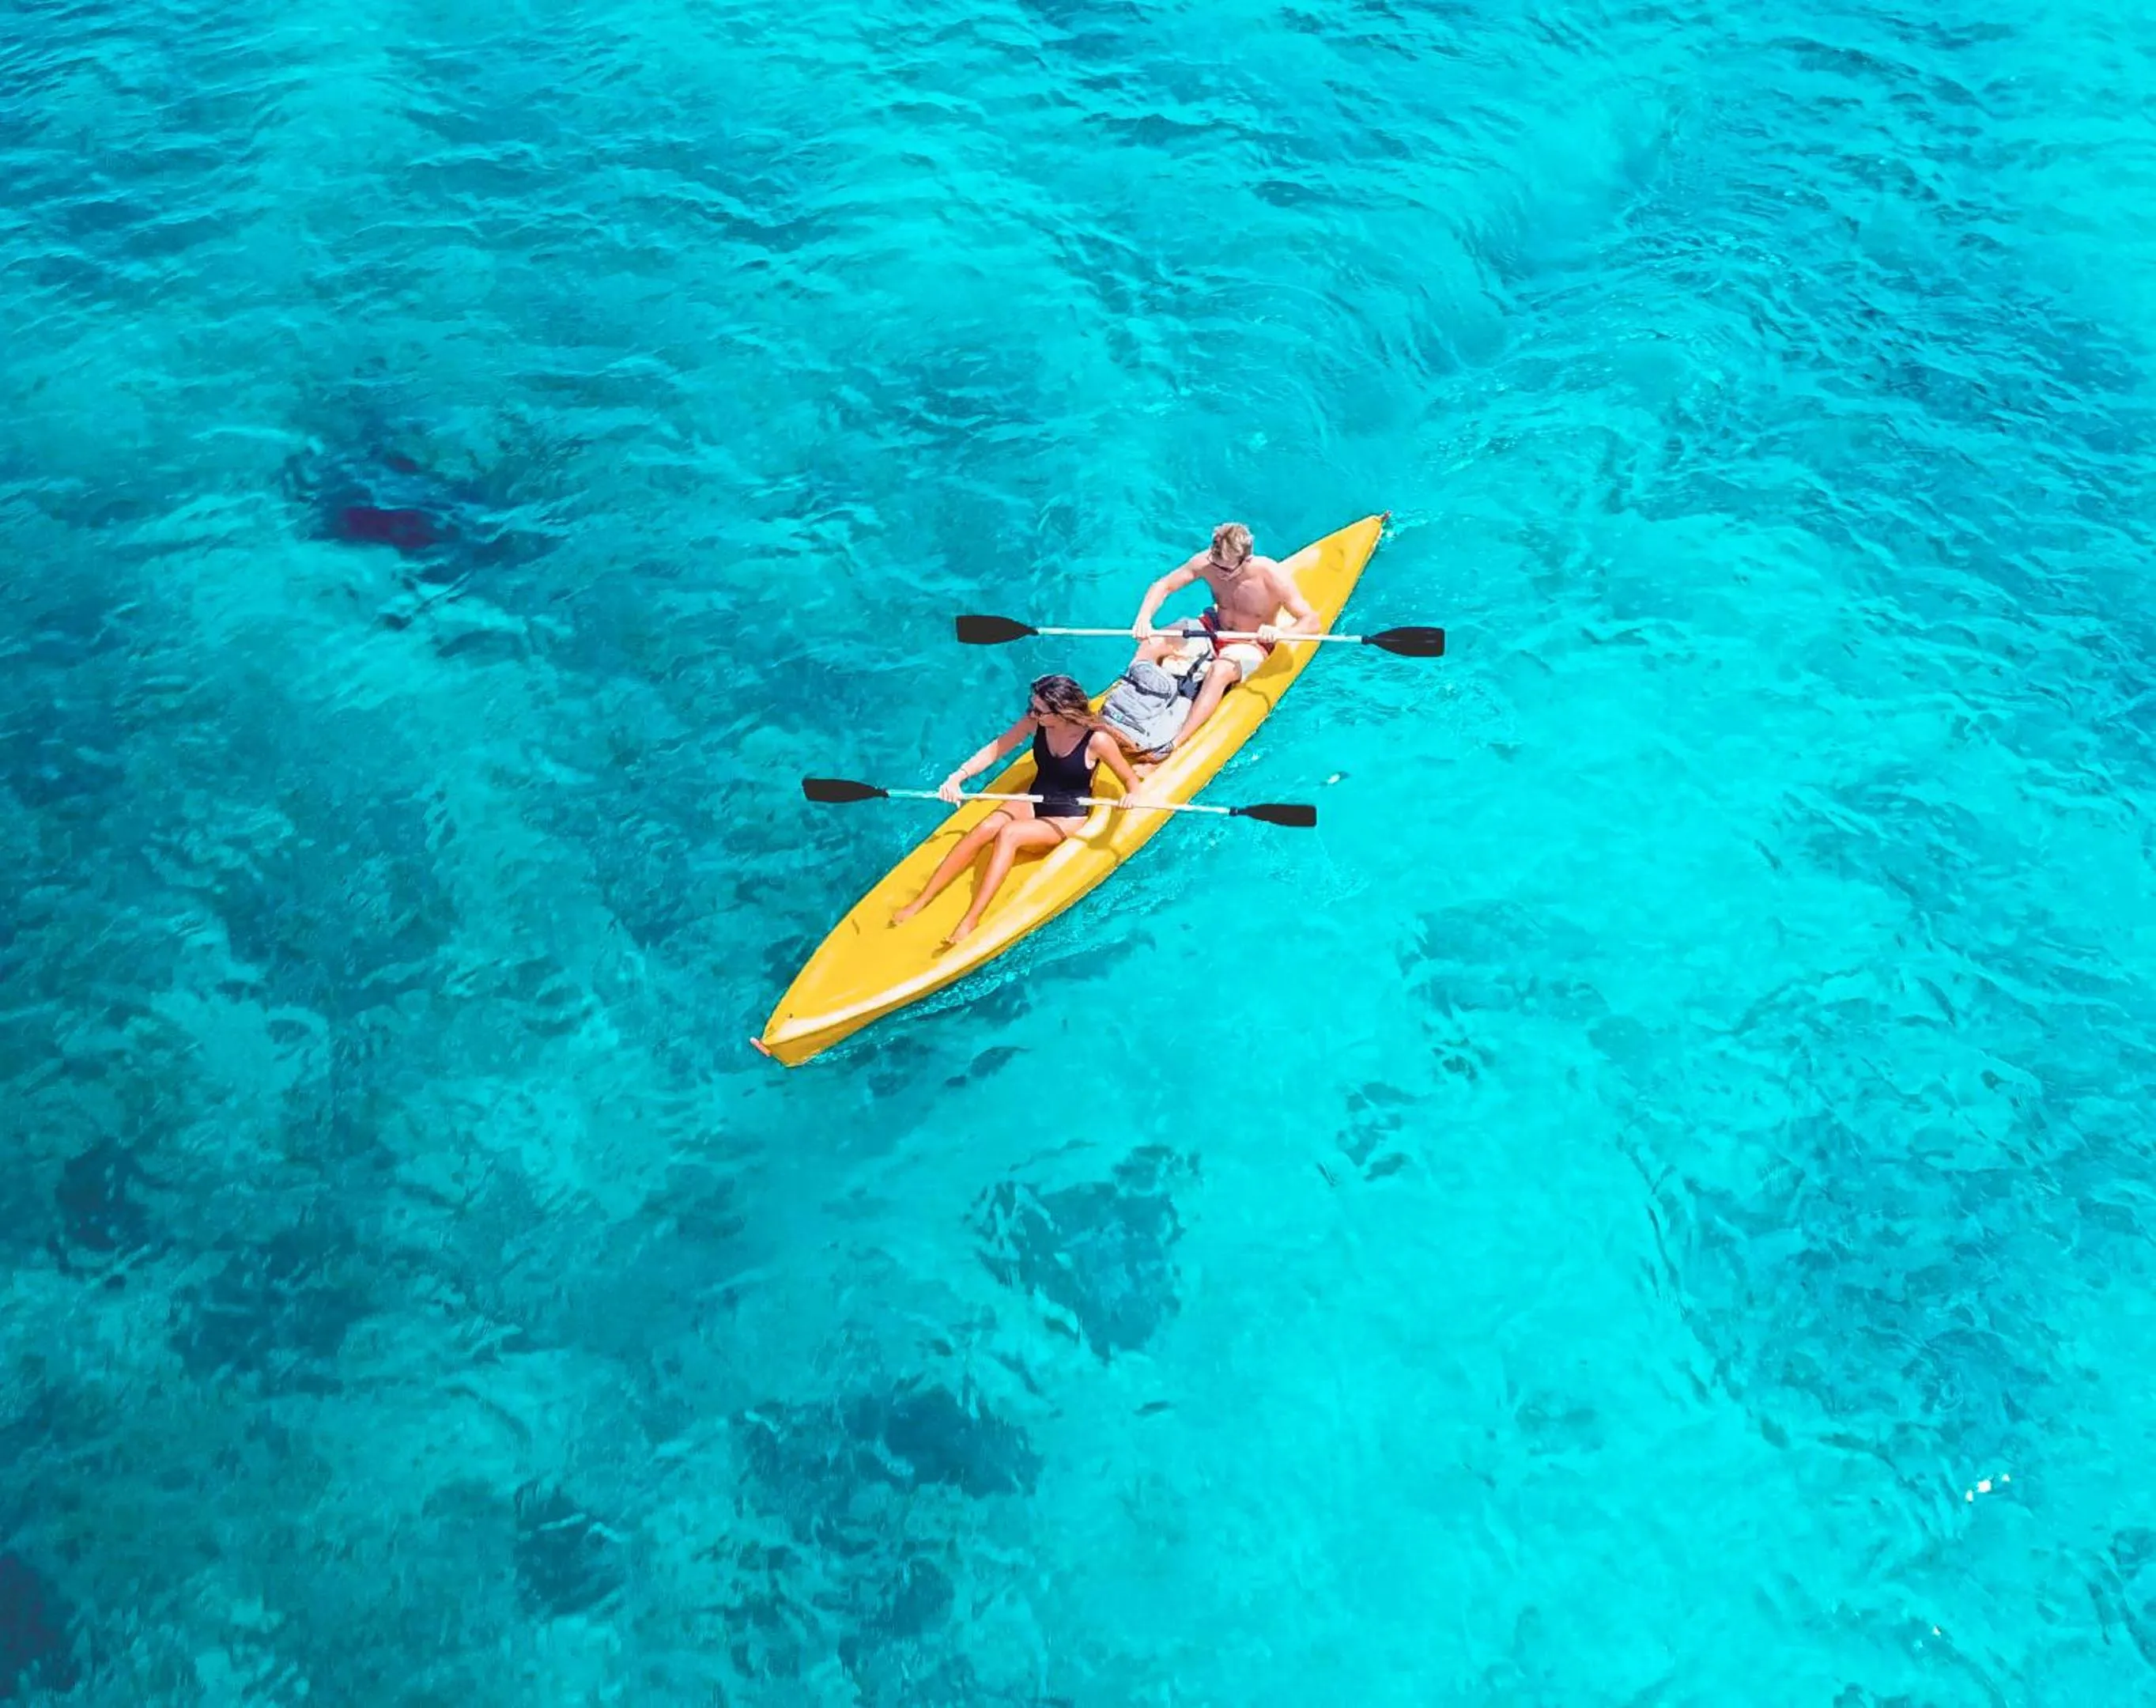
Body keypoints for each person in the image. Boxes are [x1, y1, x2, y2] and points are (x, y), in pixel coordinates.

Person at [891, 673, 1144, 947]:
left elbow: (1131, 782)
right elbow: (995, 750)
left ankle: (971, 919)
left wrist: (1130, 797)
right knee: (986, 826)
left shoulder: (1097, 741)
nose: (1032, 713)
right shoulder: (1036, 722)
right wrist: (957, 777)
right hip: (1035, 798)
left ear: (1062, 712)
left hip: (1067, 815)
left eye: (1039, 710)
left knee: (1009, 833)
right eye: (1031, 706)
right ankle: (922, 900)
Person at [1126, 522, 1318, 751]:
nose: (1219, 573)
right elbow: (1164, 585)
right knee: (1154, 641)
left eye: (1226, 570)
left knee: (1220, 670)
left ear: (1246, 560)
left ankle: (1175, 743)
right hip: (1214, 627)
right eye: (1215, 564)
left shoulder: (1271, 575)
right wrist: (1144, 618)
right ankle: (1126, 699)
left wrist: (1281, 633)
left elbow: (1311, 621)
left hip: (1251, 641)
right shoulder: (1208, 562)